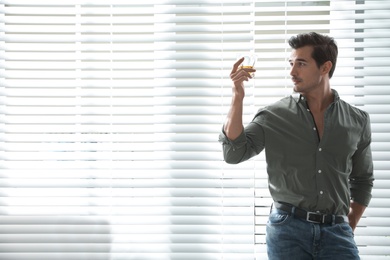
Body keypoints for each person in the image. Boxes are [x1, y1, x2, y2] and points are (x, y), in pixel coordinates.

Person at [219, 32, 374, 259]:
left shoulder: (357, 120)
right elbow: (234, 152)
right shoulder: (274, 115)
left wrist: (348, 224)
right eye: (291, 63)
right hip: (287, 231)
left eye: (301, 64)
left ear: (325, 67)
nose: (292, 72)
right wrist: (237, 96)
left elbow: (362, 180)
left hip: (337, 231)